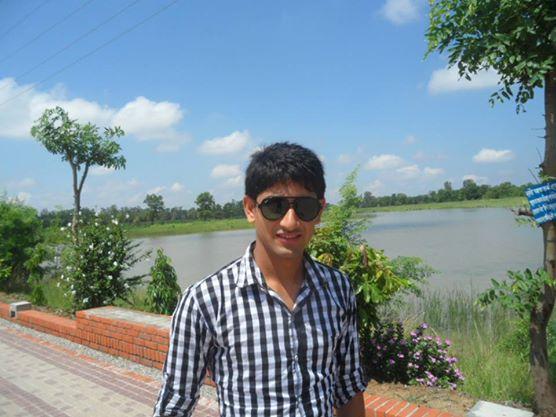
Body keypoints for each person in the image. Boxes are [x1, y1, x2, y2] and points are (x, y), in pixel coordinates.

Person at [153, 142, 367, 417]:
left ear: (320, 211)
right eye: (275, 206)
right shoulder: (206, 301)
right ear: (250, 209)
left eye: (305, 206)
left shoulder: (337, 289)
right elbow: (175, 404)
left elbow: (347, 388)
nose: (290, 222)